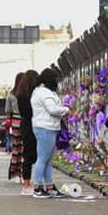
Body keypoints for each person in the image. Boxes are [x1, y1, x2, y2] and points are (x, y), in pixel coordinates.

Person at [30, 68, 69, 199]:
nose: (56, 82)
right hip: (46, 127)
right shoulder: (45, 93)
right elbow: (52, 109)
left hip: (46, 127)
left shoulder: (39, 91)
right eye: (55, 79)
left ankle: (49, 186)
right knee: (42, 159)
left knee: (46, 160)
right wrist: (65, 109)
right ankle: (38, 187)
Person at [14, 70, 39, 196]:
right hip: (32, 125)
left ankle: (27, 183)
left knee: (28, 155)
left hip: (26, 125)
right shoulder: (31, 97)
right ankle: (27, 184)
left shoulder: (20, 95)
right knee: (32, 155)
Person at [4, 78, 20, 152]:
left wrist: (9, 119)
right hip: (26, 118)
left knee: (16, 142)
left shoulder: (11, 95)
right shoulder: (28, 93)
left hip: (15, 119)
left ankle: (15, 161)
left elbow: (7, 110)